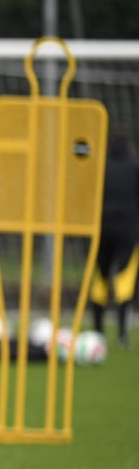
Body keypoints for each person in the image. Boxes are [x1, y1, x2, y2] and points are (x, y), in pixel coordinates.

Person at [89, 131, 139, 347]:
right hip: (128, 229)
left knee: (100, 277)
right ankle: (122, 335)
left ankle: (98, 332)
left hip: (100, 228)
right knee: (124, 278)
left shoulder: (100, 166)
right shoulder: (135, 166)